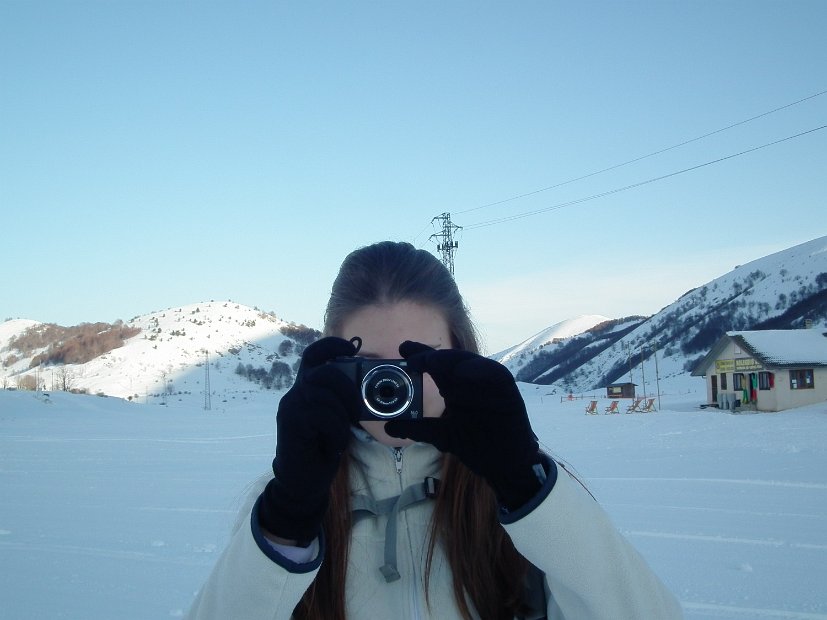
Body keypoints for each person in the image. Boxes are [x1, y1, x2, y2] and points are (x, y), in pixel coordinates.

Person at [185, 241, 683, 620]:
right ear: (330, 369)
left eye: (415, 361)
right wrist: (289, 519)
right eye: (368, 368)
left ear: (460, 354)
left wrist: (524, 483)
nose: (391, 388)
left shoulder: (522, 499)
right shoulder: (291, 503)